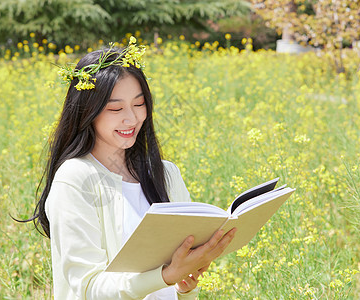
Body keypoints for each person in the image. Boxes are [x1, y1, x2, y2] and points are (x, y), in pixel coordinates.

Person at [29, 37, 236, 300]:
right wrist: (165, 276)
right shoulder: (75, 179)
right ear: (87, 112)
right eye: (115, 108)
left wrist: (183, 286)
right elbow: (88, 289)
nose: (132, 118)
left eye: (139, 104)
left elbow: (175, 287)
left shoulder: (167, 174)